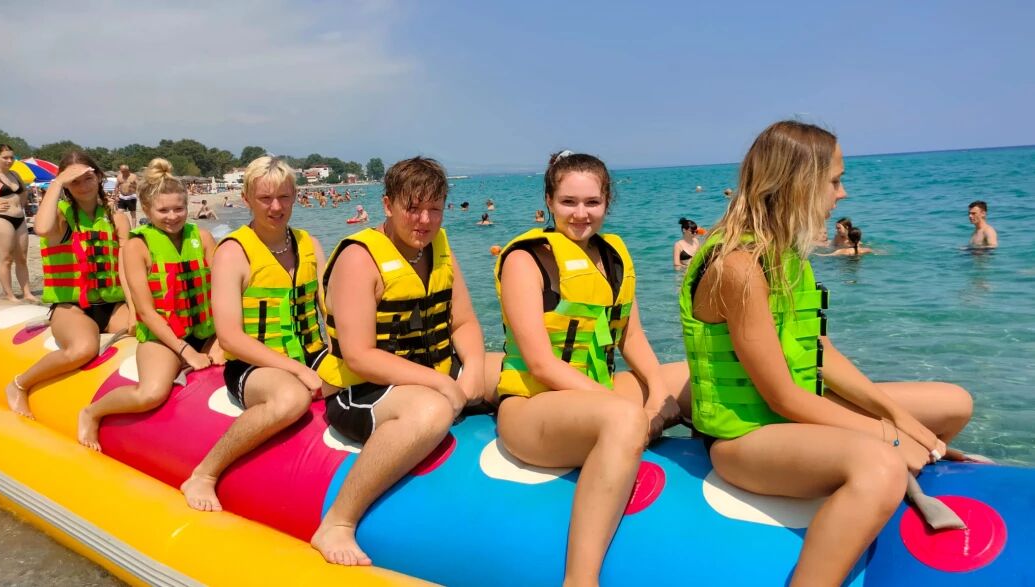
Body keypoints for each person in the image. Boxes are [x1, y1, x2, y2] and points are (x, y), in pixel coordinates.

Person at [679, 120, 975, 586]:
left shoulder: (787, 254)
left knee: (954, 403)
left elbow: (820, 353)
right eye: (835, 181)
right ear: (799, 183)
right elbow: (782, 398)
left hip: (796, 414)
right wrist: (891, 439)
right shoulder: (738, 267)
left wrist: (903, 421)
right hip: (745, 439)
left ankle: (865, 511)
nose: (843, 193)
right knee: (880, 465)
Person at [494, 151, 690, 586]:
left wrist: (660, 394)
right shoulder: (526, 260)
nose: (580, 214)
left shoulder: (613, 254)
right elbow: (541, 363)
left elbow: (631, 337)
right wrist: (636, 412)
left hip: (595, 394)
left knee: (689, 380)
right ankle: (580, 578)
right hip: (533, 408)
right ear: (549, 200)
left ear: (607, 202)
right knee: (623, 417)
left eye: (592, 202)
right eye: (568, 202)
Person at [312, 157, 500, 565]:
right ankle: (338, 521)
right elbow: (359, 355)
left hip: (430, 372)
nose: (425, 220)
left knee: (511, 370)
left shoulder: (440, 246)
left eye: (434, 208)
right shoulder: (358, 258)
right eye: (413, 208)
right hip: (362, 391)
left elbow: (464, 321)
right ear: (388, 205)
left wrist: (471, 369)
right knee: (431, 410)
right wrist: (443, 384)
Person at [180, 156, 327, 512]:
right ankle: (204, 473)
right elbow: (230, 338)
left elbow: (330, 310)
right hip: (253, 366)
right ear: (246, 198)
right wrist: (298, 370)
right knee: (291, 398)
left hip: (312, 353)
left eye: (284, 197)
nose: (276, 207)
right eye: (265, 198)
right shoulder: (233, 252)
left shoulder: (309, 244)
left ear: (295, 197)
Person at [78, 159, 219, 451]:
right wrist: (187, 351)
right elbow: (145, 311)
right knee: (151, 393)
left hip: (206, 331)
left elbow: (222, 295)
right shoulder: (137, 246)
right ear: (146, 209)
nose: (172, 216)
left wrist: (220, 341)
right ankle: (92, 412)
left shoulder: (203, 238)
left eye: (179, 208)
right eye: (163, 210)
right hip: (162, 336)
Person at [5, 151, 132, 418]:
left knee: (147, 331)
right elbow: (41, 228)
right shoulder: (61, 217)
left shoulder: (117, 218)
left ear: (99, 177)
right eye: (74, 181)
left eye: (88, 177)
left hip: (112, 304)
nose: (83, 185)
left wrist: (135, 309)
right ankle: (19, 384)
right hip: (71, 307)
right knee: (83, 349)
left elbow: (126, 267)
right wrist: (57, 182)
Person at [0, 144, 38, 302]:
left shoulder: (15, 174)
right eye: (5, 157)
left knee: (22, 258)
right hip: (1, 218)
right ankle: (9, 294)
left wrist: (21, 204)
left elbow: (24, 191)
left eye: (11, 157)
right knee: (6, 258)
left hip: (19, 218)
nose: (9, 160)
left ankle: (27, 292)